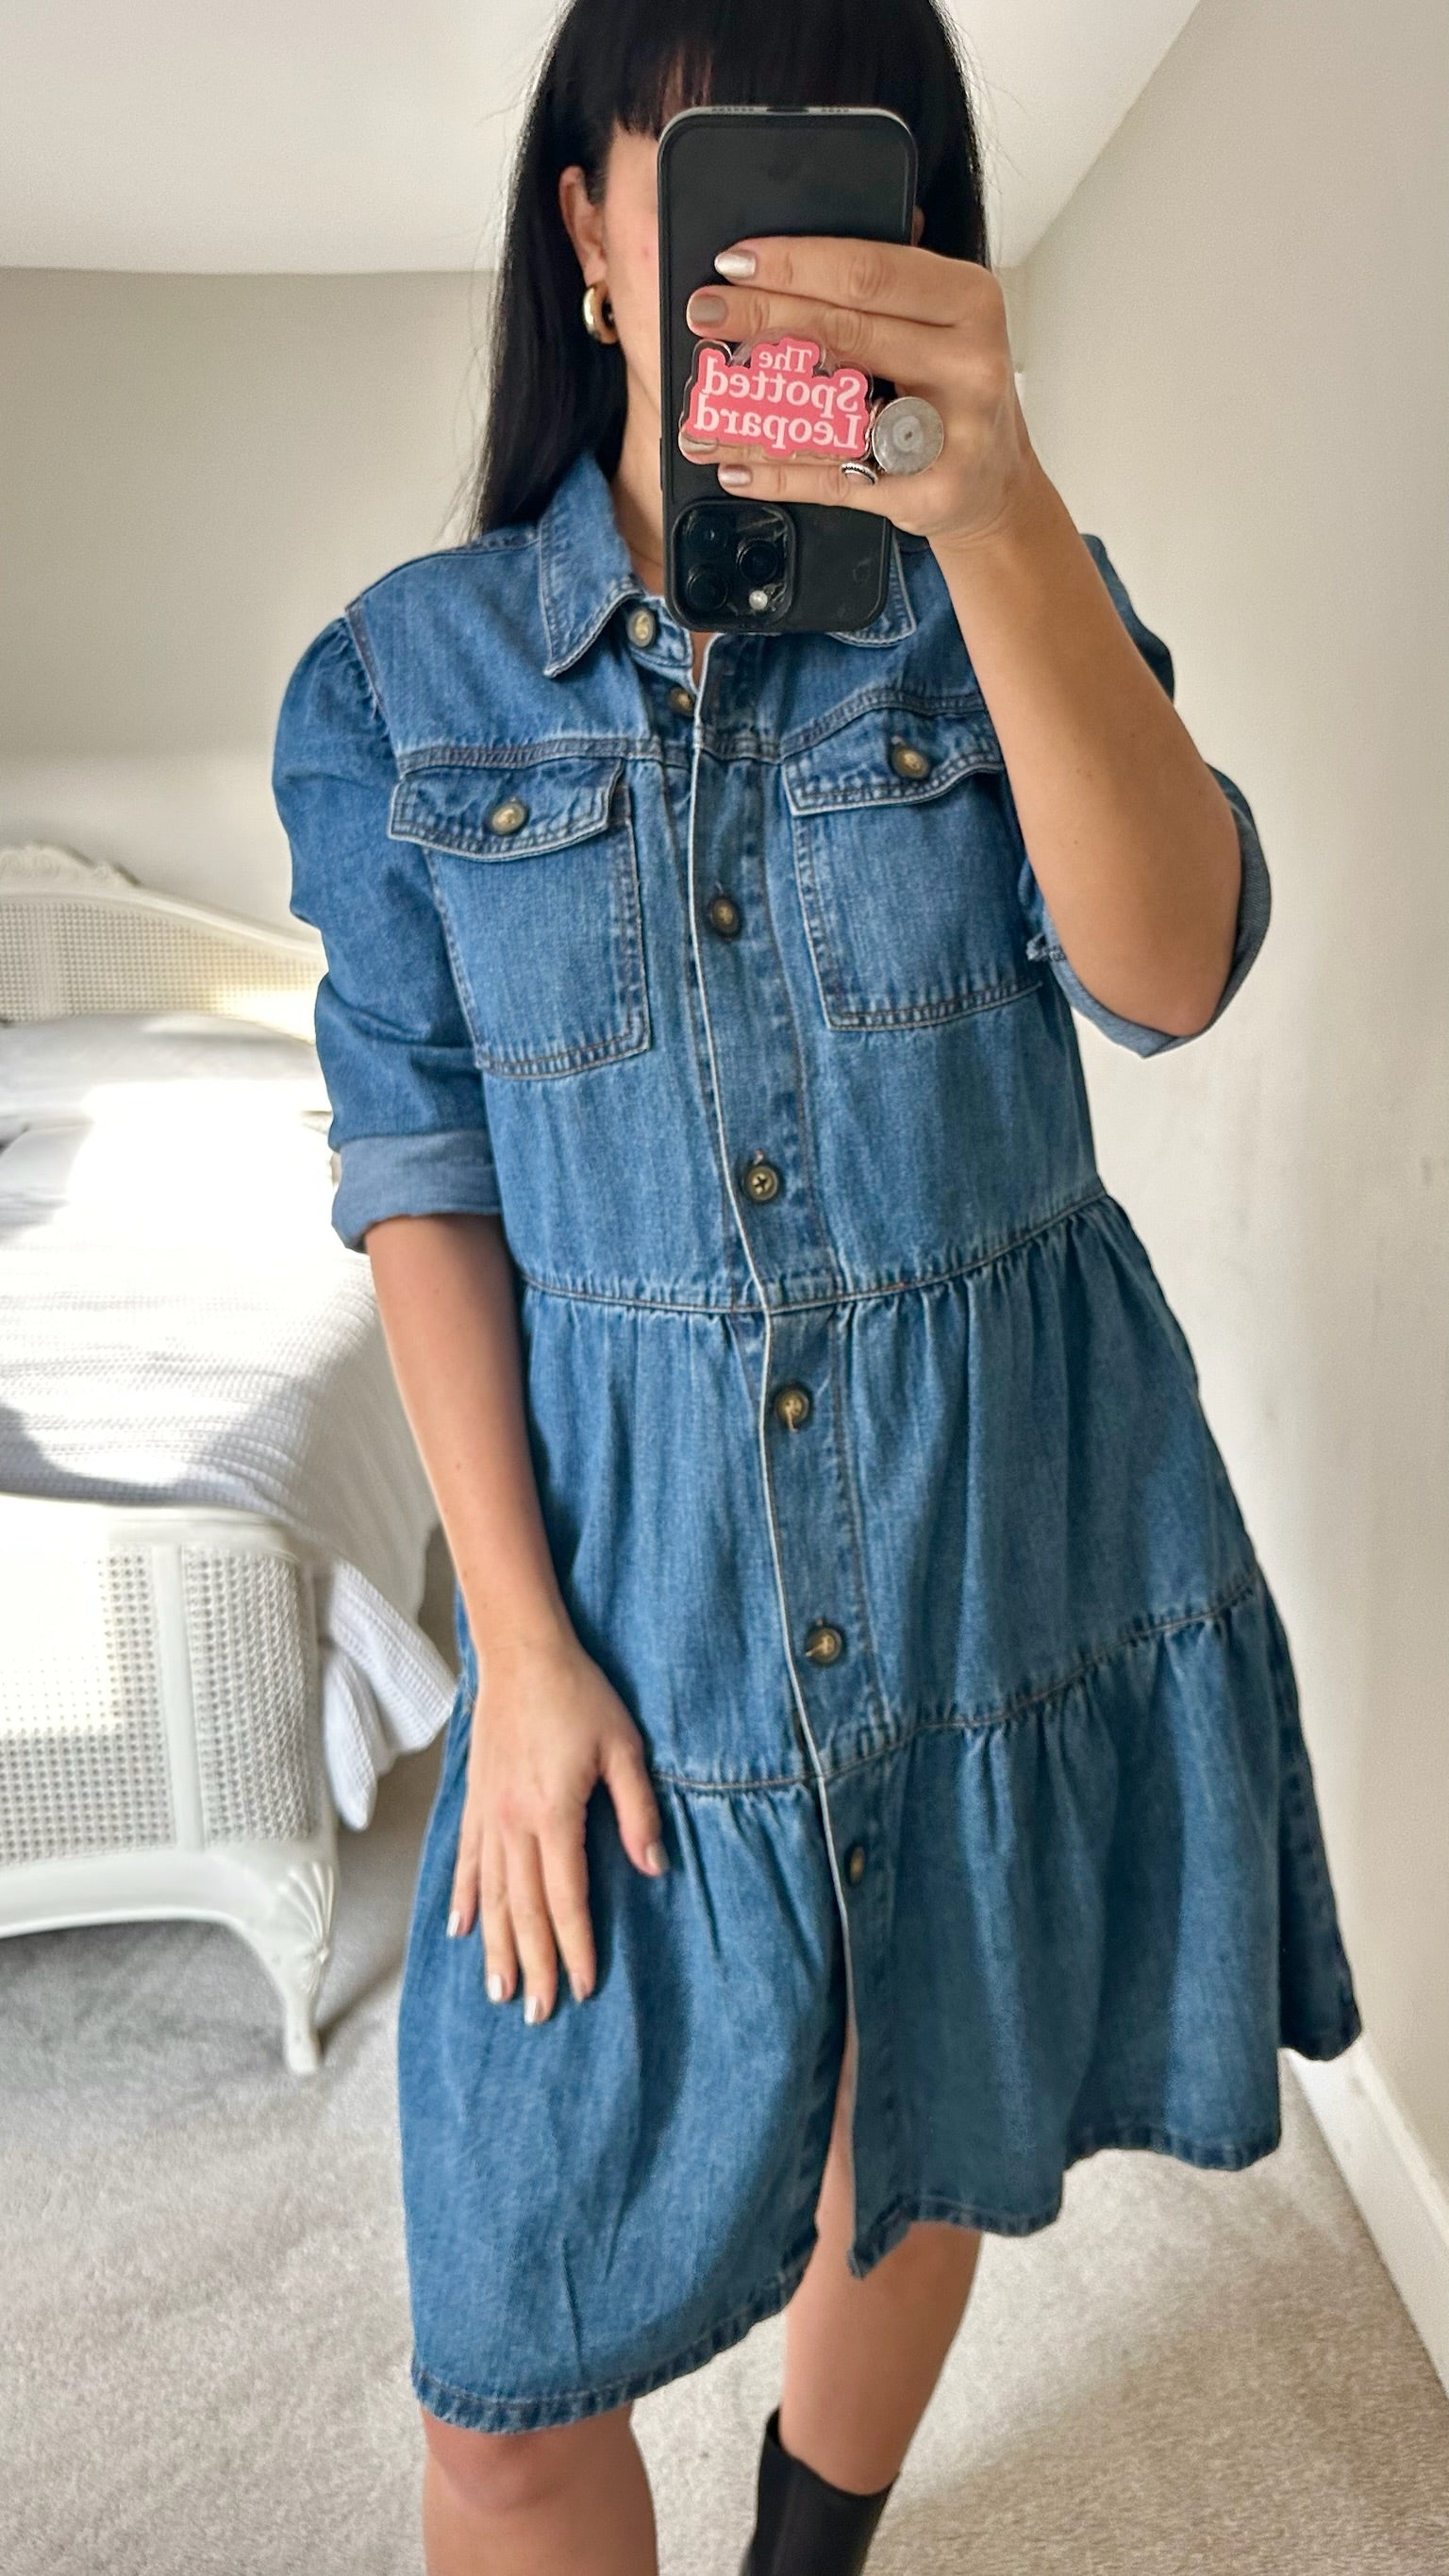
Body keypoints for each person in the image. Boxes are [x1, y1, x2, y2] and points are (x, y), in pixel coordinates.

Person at [271, 3, 1362, 2569]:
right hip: (622, 1593)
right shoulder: (404, 683)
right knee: (502, 2381)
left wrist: (995, 513)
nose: (768, 225)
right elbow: (419, 1176)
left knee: (925, 2110)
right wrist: (517, 1649)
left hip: (993, 1523)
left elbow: (1176, 968)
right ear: (588, 231)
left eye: (839, 168)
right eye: (702, 160)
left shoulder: (1004, 597)